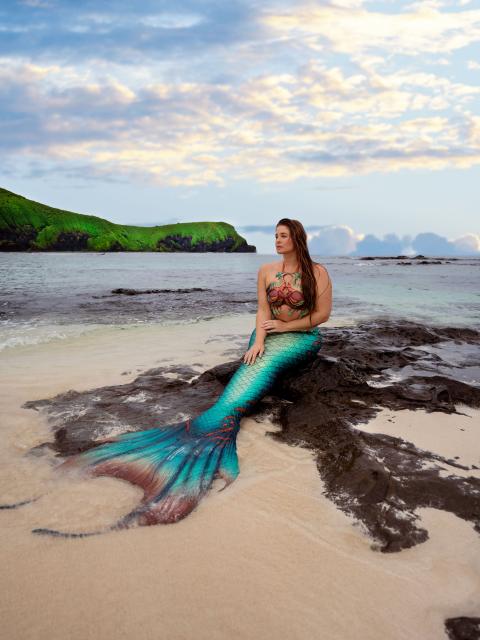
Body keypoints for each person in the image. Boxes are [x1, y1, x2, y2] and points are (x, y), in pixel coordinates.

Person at [3, 218, 332, 538]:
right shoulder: (266, 271)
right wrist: (259, 338)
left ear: (297, 239)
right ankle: (212, 427)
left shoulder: (317, 272)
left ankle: (209, 431)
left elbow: (322, 315)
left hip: (302, 338)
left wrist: (285, 328)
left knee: (266, 364)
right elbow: (262, 311)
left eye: (283, 236)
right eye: (275, 235)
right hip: (267, 334)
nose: (277, 240)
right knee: (255, 359)